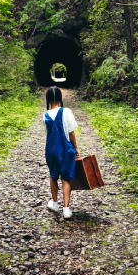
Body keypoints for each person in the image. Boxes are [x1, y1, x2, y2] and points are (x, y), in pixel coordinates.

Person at [43, 86, 80, 219]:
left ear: (47, 99)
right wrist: (76, 148)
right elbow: (71, 132)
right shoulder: (66, 112)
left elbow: (47, 134)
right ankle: (66, 209)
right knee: (66, 178)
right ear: (60, 98)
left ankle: (54, 203)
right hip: (65, 150)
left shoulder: (45, 115)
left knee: (53, 176)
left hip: (51, 150)